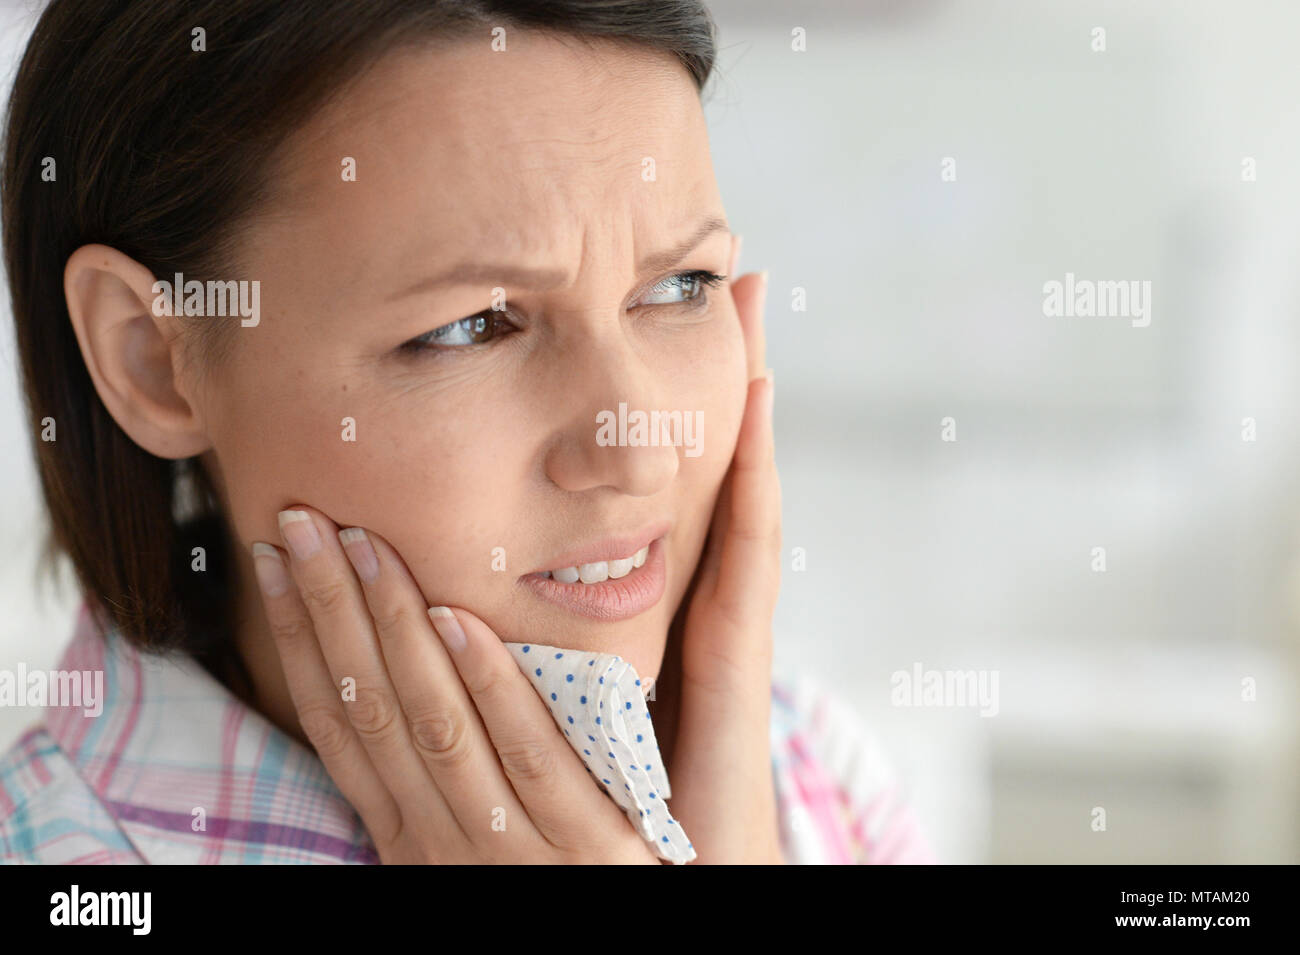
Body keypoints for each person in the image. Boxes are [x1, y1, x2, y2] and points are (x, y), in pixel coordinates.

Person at [0, 0, 936, 864]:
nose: (640, 445)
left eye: (680, 286)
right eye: (470, 326)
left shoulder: (814, 773)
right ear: (150, 361)